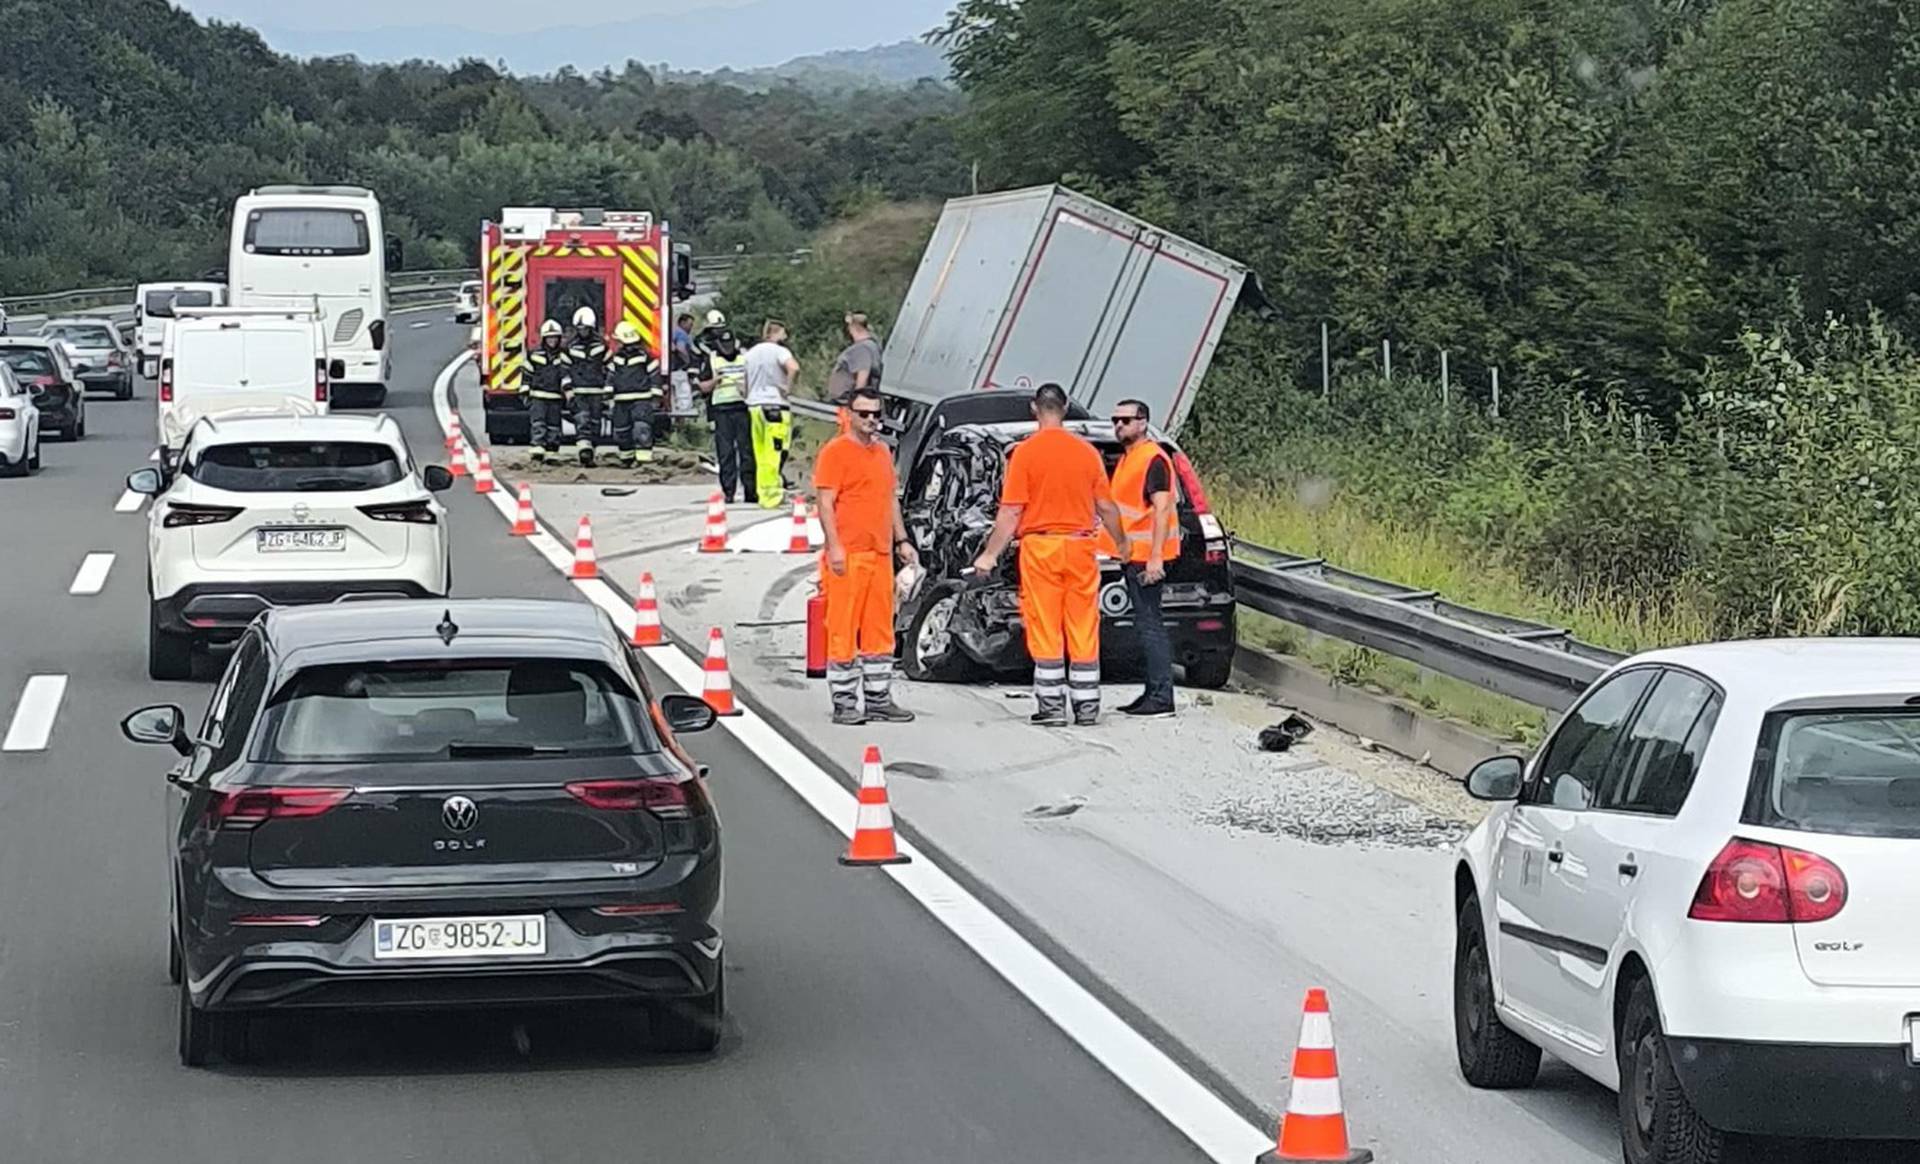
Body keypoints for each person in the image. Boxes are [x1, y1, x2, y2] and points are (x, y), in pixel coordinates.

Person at [972, 383, 1130, 727]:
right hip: (1080, 546)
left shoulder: (1025, 454)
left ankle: (1052, 706)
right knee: (1083, 623)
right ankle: (1087, 706)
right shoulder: (1087, 454)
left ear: (1034, 409)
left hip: (1041, 547)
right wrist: (1121, 542)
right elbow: (1105, 506)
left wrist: (989, 555)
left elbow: (1011, 514)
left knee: (1045, 624)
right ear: (1066, 407)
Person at [814, 386, 919, 726]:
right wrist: (835, 547)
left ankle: (878, 699)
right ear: (850, 414)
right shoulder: (835, 453)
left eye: (876, 414)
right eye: (864, 414)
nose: (872, 420)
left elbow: (890, 501)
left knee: (879, 630)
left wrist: (902, 540)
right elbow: (826, 503)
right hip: (849, 553)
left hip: (880, 554)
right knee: (843, 629)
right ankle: (844, 702)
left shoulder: (883, 454)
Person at [1101, 399, 1180, 718]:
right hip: (1134, 555)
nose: (1119, 425)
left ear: (1143, 422)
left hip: (1149, 558)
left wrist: (1156, 559)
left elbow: (1162, 509)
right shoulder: (1129, 458)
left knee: (1150, 625)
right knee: (1145, 624)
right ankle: (1153, 691)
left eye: (1126, 420)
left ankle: (1161, 697)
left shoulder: (1153, 459)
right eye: (1115, 420)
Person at [696, 325, 756, 504]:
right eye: (724, 344)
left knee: (747, 452)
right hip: (721, 410)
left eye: (730, 344)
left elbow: (753, 379)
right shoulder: (712, 359)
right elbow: (702, 387)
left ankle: (750, 491)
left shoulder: (744, 357)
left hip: (742, 408)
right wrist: (715, 381)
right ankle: (728, 491)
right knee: (726, 452)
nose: (727, 348)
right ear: (718, 344)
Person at [744, 319, 800, 509]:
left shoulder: (750, 354)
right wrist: (788, 388)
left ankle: (763, 492)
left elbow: (742, 381)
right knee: (775, 451)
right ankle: (773, 495)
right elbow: (794, 367)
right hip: (775, 405)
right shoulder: (780, 351)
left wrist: (748, 394)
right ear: (777, 333)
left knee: (760, 452)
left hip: (754, 406)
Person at [608, 321, 663, 467]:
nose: (617, 343)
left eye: (618, 340)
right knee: (621, 431)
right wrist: (607, 395)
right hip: (621, 401)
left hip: (641, 400)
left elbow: (654, 376)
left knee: (641, 429)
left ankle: (644, 462)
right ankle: (627, 460)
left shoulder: (645, 356)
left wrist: (656, 397)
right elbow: (610, 376)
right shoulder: (616, 357)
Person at [564, 306, 613, 467]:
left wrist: (609, 389)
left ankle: (592, 451)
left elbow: (610, 367)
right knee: (582, 420)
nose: (582, 331)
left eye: (585, 328)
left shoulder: (601, 345)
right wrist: (568, 390)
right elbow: (564, 370)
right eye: (580, 328)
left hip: (597, 391)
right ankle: (584, 452)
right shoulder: (570, 346)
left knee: (595, 423)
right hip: (578, 391)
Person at [825, 311, 883, 436]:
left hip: (850, 405)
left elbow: (863, 373)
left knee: (849, 439)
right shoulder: (870, 346)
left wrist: (857, 402)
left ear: (853, 327)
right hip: (849, 405)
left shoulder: (863, 348)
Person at [522, 318, 570, 463]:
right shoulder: (535, 355)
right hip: (538, 397)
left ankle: (552, 453)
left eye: (555, 337)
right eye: (549, 338)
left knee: (554, 426)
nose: (552, 341)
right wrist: (525, 393)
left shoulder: (563, 356)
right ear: (544, 338)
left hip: (555, 398)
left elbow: (566, 375)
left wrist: (568, 392)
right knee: (538, 424)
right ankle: (537, 450)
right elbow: (527, 375)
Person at [669, 312, 698, 416]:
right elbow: (680, 348)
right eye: (690, 325)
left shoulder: (674, 333)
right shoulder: (682, 334)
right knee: (683, 394)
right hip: (679, 369)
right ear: (682, 323)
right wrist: (687, 361)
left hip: (671, 369)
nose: (691, 328)